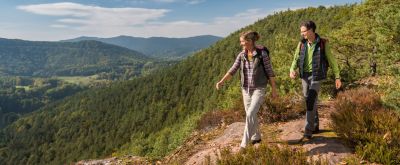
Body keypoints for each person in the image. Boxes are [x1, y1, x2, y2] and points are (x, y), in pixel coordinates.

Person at [216, 31, 278, 150]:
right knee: (251, 115)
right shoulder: (242, 55)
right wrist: (221, 81)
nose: (241, 44)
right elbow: (232, 70)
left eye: (242, 42)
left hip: (259, 88)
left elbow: (270, 72)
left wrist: (274, 89)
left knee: (250, 113)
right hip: (246, 89)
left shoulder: (262, 54)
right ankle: (256, 137)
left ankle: (244, 144)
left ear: (249, 41)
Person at [289, 21, 341, 140]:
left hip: (317, 76)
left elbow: (332, 60)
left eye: (304, 31)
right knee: (309, 100)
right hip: (304, 76)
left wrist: (337, 76)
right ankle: (315, 125)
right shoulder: (301, 44)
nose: (302, 34)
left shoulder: (323, 43)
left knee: (311, 99)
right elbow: (296, 58)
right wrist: (292, 69)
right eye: (301, 32)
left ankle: (308, 131)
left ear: (312, 30)